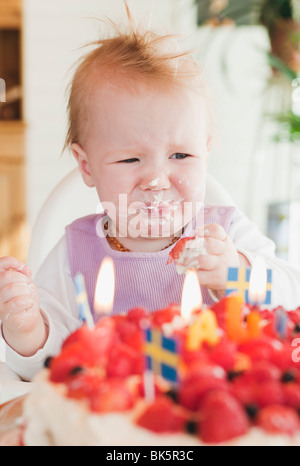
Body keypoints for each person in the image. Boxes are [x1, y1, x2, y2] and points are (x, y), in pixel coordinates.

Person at [1, 7, 300, 381]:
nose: (157, 180)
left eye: (180, 155)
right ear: (87, 166)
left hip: (207, 411)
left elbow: (291, 301)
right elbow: (42, 366)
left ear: (206, 153)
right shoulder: (76, 251)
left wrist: (235, 272)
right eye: (130, 159)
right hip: (107, 418)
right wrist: (27, 330)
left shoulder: (222, 233)